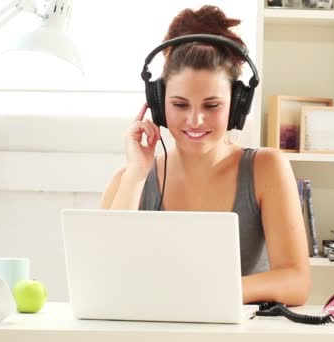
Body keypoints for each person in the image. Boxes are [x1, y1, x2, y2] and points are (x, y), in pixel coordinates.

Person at [99, 5, 310, 306]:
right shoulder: (130, 180)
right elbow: (102, 278)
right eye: (180, 105)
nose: (195, 120)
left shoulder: (265, 168)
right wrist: (135, 175)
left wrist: (203, 292)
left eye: (212, 106)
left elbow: (295, 281)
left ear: (237, 105)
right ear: (158, 105)